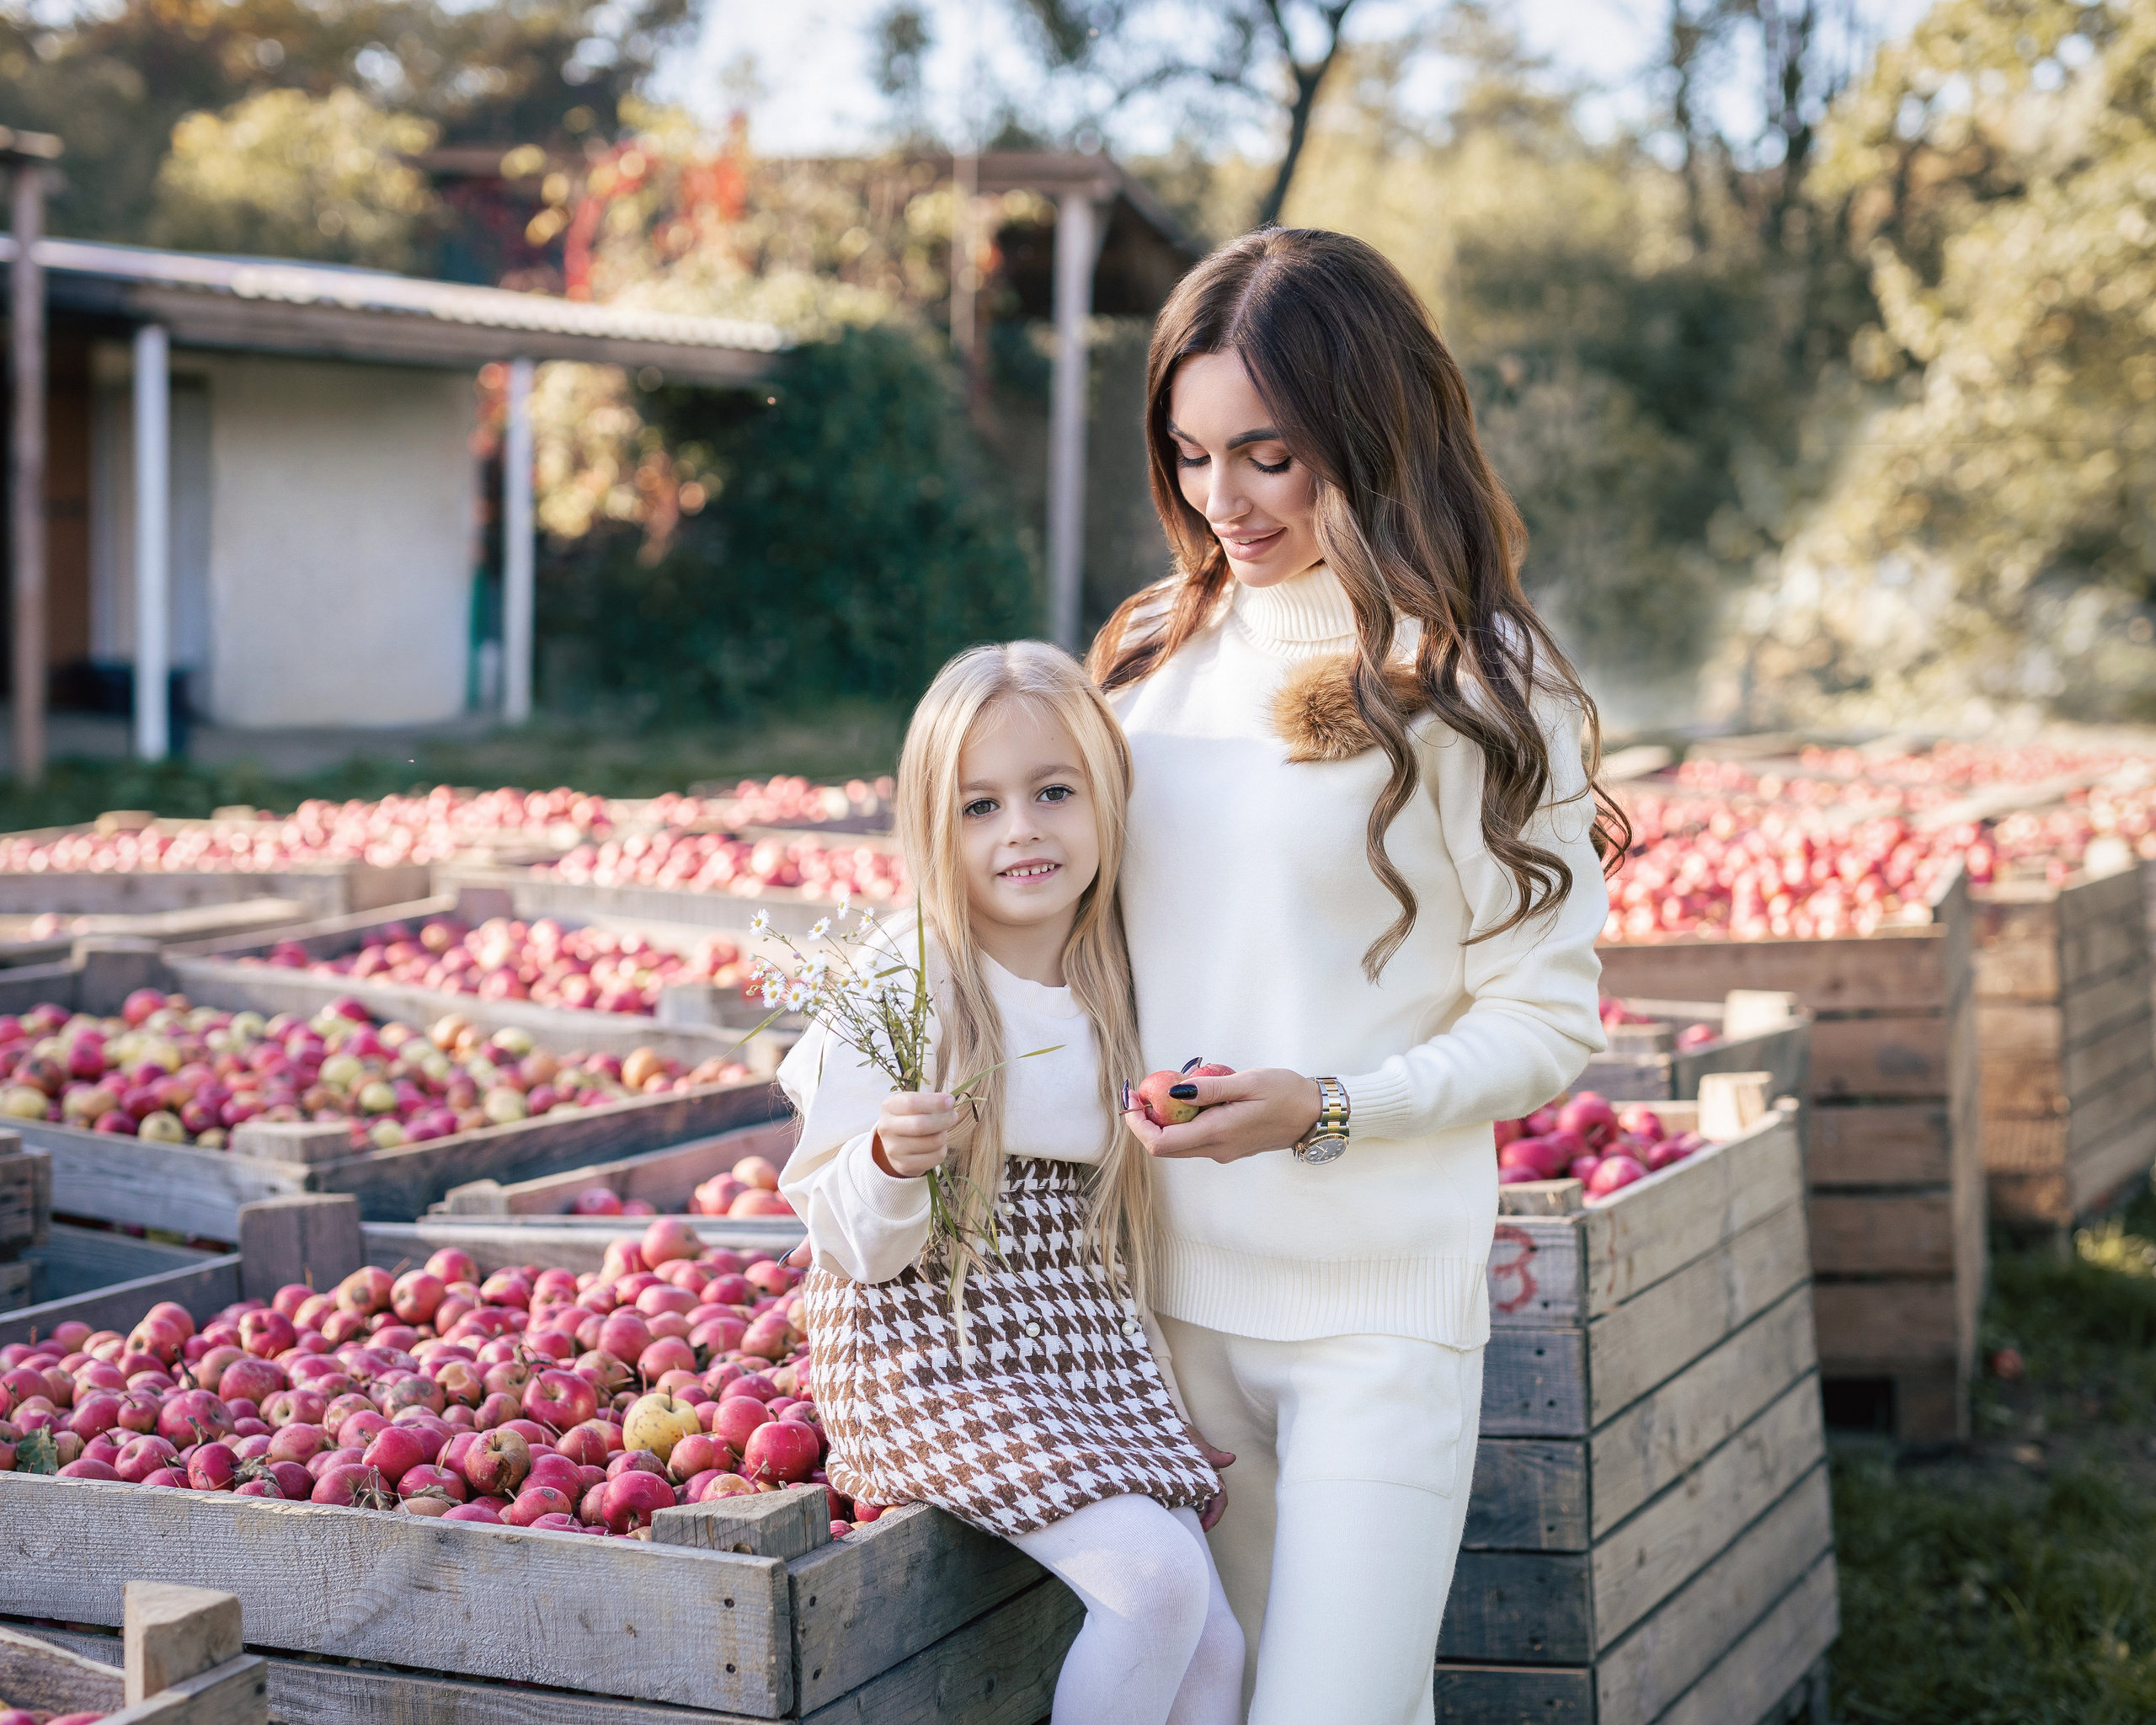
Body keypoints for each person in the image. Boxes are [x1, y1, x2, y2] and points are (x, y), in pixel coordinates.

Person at [1091, 227, 1630, 1725]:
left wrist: (1325, 1108)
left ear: (1371, 431)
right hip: (1164, 1308)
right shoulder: (1147, 658)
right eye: (1194, 456)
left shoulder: (1476, 680)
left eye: (1268, 455)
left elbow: (1545, 1016)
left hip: (1373, 1313)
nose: (1223, 502)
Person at [778, 640, 1245, 1725]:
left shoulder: (1122, 976)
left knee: (1212, 1643)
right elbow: (845, 1237)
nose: (1022, 829)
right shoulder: (911, 978)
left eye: (1051, 791)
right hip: (930, 1351)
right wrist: (891, 1160)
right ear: (934, 826)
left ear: (1106, 797)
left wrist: (1155, 1401)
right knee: (1158, 1587)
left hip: (1076, 1352)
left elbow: (1097, 1249)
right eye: (980, 805)